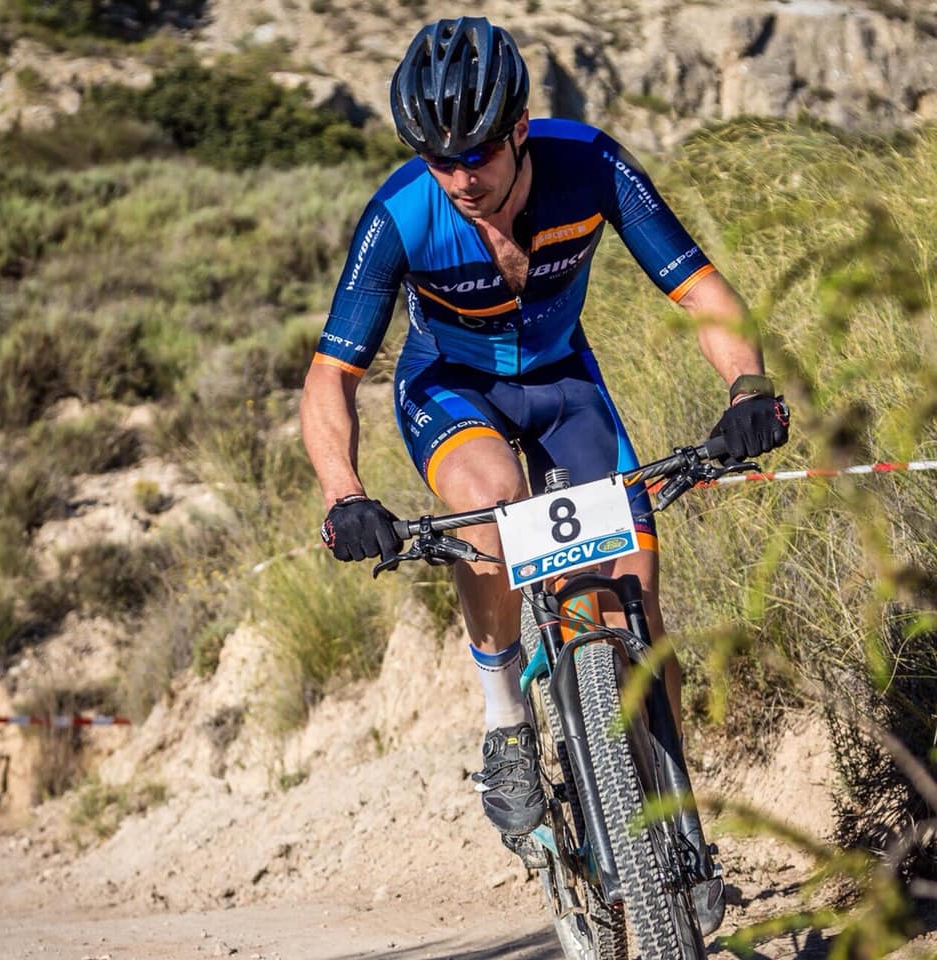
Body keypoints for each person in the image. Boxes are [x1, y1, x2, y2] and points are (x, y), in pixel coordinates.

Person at [300, 16, 788, 935]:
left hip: (565, 386)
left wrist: (748, 388)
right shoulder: (401, 213)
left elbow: (700, 290)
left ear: (520, 126)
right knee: (489, 510)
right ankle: (505, 724)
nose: (460, 178)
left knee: (637, 599)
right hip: (453, 390)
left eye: (476, 152)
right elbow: (333, 374)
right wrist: (344, 493)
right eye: (437, 158)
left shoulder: (591, 165)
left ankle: (673, 824)